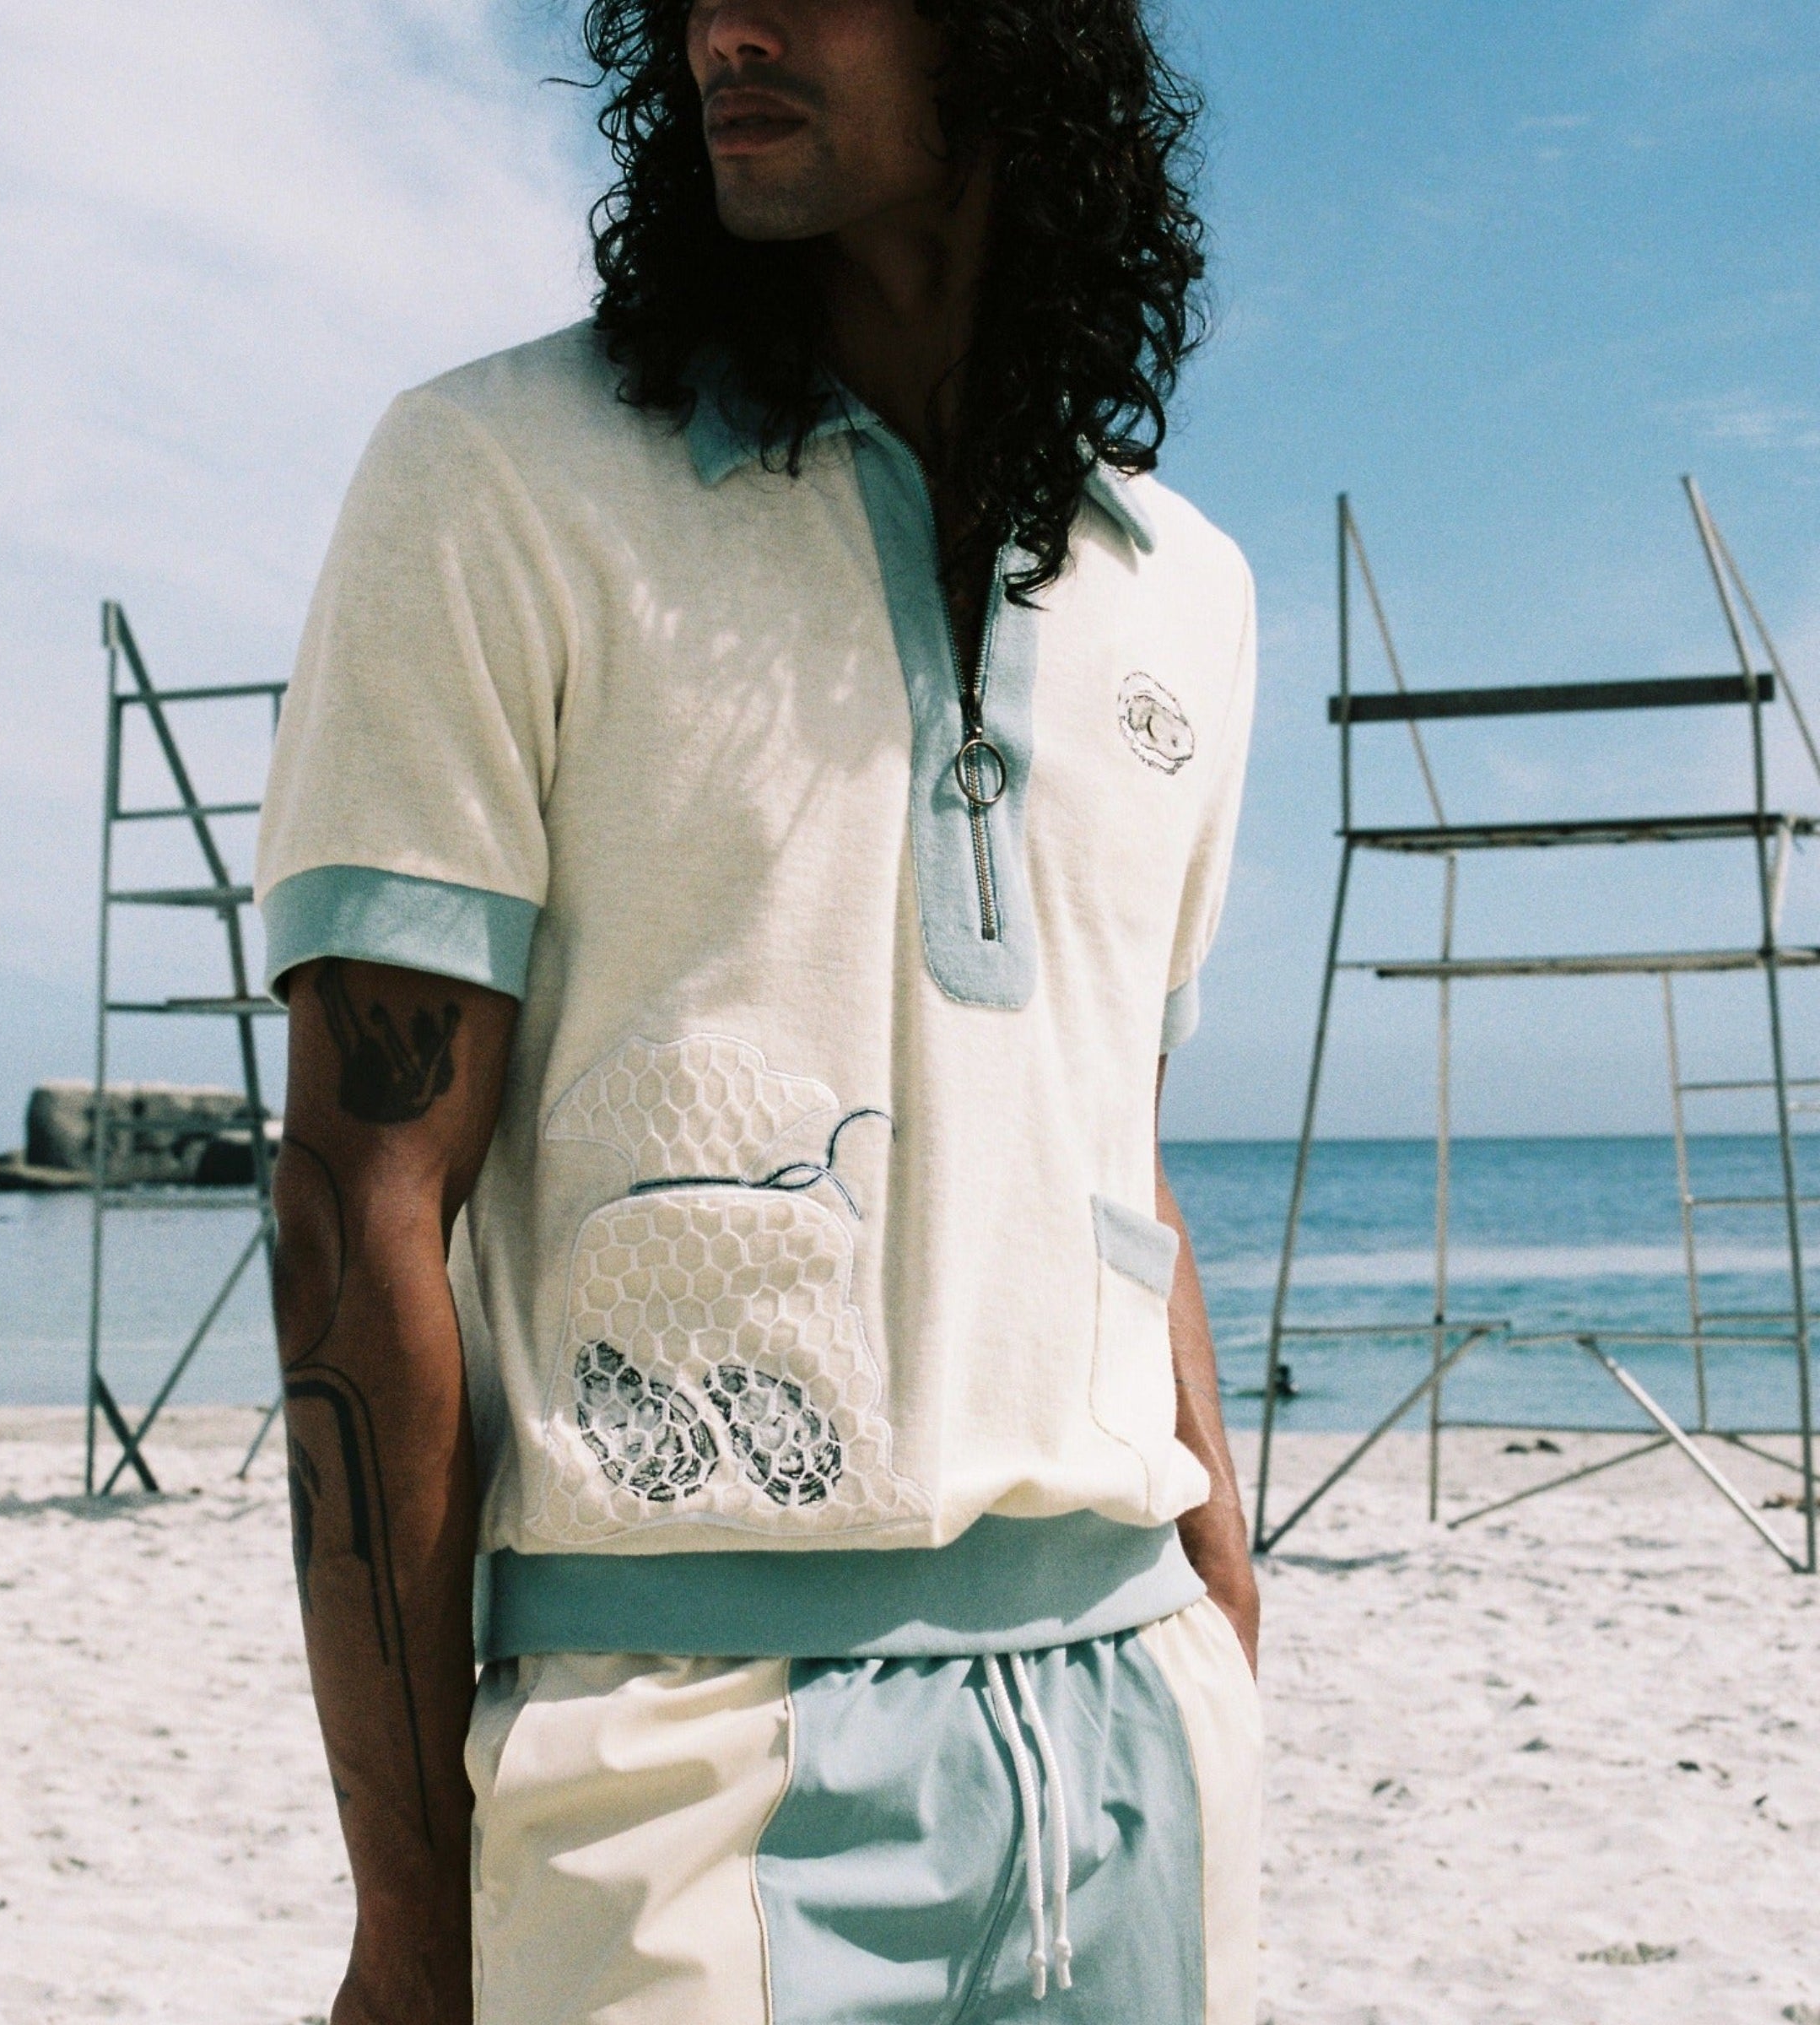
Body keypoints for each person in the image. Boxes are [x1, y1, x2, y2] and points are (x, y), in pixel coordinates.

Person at [255, 0, 1261, 2018]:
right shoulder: (493, 484)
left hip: (1138, 1729)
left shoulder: (1184, 592)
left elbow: (1109, 1149)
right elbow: (364, 1196)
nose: (728, 24)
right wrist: (407, 1906)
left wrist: (1227, 1604)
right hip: (672, 1749)